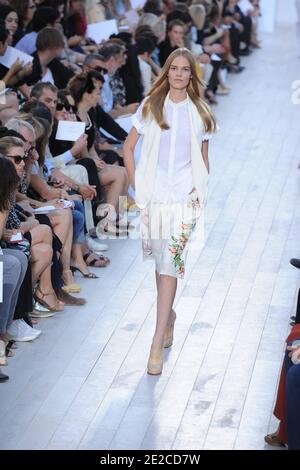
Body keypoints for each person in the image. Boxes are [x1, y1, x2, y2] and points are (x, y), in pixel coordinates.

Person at [123, 48, 217, 375]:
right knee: (161, 261)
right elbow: (128, 148)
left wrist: (199, 194)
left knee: (171, 265)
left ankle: (155, 340)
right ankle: (169, 317)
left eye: (184, 70)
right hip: (154, 197)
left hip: (185, 199)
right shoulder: (150, 107)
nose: (178, 74)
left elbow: (204, 159)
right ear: (167, 72)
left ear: (192, 75)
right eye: (173, 68)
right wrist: (138, 189)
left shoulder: (201, 112)